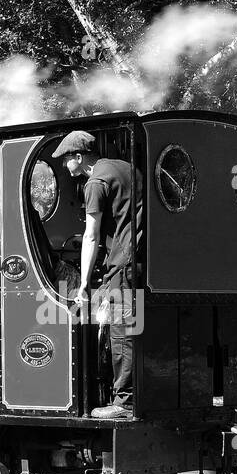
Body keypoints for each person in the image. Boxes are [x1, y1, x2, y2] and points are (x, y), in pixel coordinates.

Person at [51, 130, 136, 419]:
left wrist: (84, 283)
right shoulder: (125, 168)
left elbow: (90, 235)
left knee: (121, 330)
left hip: (123, 262)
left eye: (65, 160)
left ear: (78, 156)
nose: (64, 166)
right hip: (142, 261)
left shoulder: (95, 182)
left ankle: (124, 403)